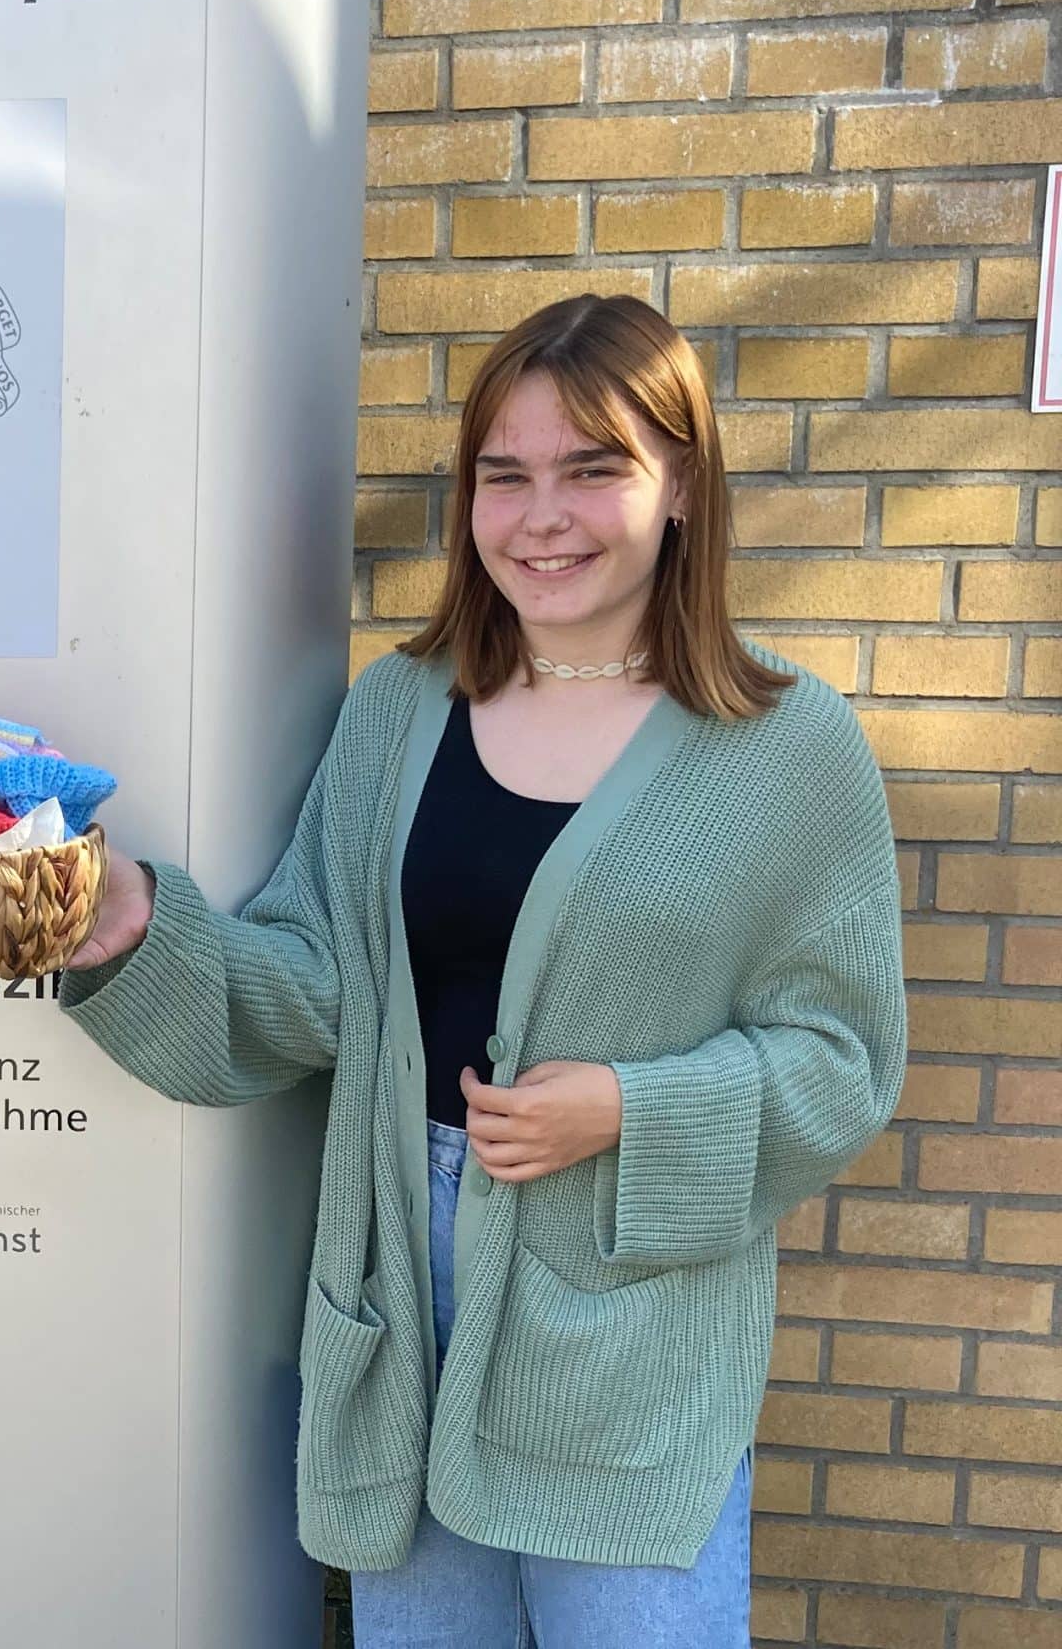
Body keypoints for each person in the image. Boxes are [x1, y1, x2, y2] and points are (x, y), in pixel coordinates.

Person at [61, 294, 904, 1647]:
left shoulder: (786, 749)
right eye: (501, 477)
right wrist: (131, 922)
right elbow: (314, 981)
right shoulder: (401, 709)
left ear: (681, 480)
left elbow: (844, 1060)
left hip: (626, 1337)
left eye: (592, 469)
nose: (540, 516)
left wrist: (629, 1110)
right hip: (404, 1293)